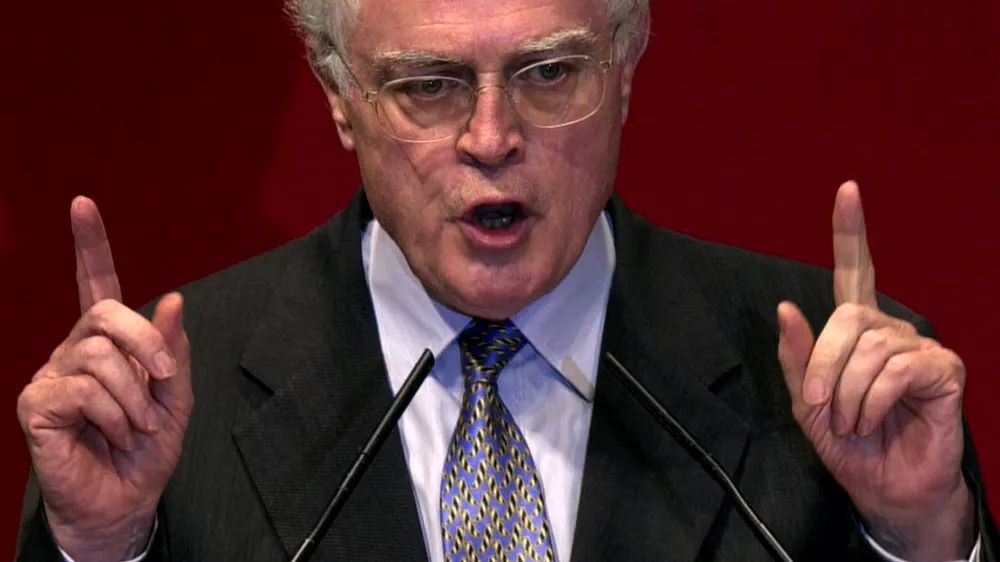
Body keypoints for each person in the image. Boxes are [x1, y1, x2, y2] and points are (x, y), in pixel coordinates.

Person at [14, 0, 998, 560]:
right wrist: (101, 546)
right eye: (427, 85)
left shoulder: (835, 384)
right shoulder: (166, 394)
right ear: (337, 101)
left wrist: (921, 533)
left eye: (549, 73)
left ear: (625, 72)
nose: (491, 138)